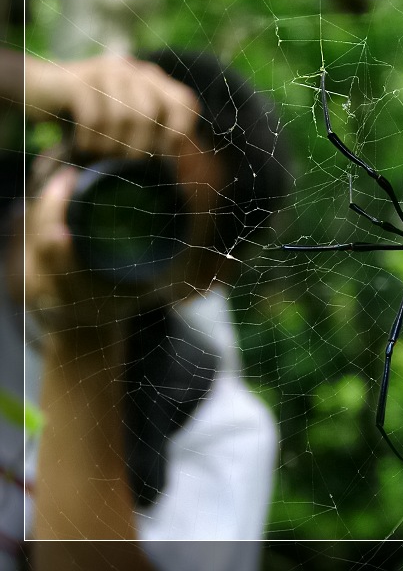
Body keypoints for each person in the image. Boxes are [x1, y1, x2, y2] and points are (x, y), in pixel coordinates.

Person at [0, 49, 290, 570]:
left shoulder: (215, 425)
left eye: (152, 214)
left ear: (204, 280)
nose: (85, 207)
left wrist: (88, 336)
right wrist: (33, 80)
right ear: (49, 149)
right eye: (96, 165)